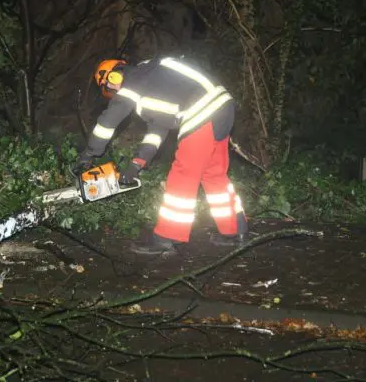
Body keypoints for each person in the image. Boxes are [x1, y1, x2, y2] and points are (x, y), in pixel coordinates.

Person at [73, 56, 248, 255]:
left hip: (201, 109)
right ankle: (235, 229)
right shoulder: (152, 83)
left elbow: (108, 122)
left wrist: (88, 154)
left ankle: (167, 237)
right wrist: (136, 164)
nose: (114, 94)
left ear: (111, 78)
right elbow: (157, 132)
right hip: (223, 106)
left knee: (183, 175)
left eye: (111, 90)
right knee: (214, 174)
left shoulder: (133, 79)